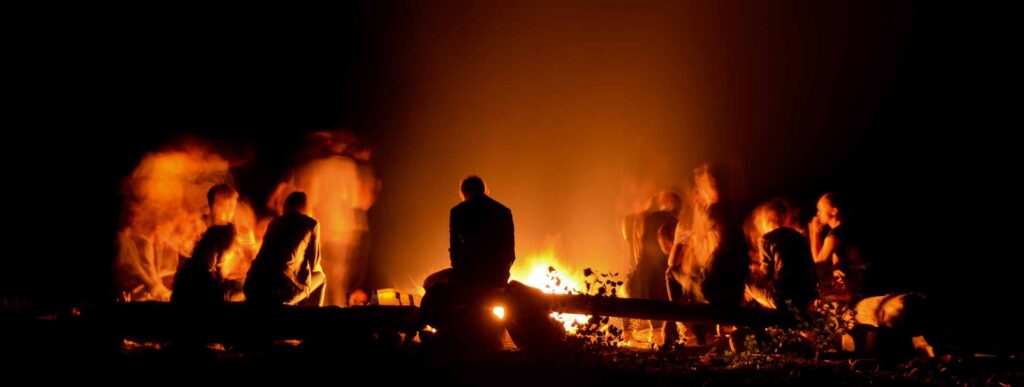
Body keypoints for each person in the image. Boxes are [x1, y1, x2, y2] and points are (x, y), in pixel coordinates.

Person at [244, 192, 326, 306]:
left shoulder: (274, 223)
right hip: (279, 290)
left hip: (251, 286)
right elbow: (314, 264)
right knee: (321, 278)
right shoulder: (312, 224)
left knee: (299, 279)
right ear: (307, 207)